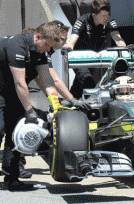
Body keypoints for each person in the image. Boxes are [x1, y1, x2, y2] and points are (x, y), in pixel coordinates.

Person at [0, 21, 89, 191]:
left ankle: (11, 180)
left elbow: (47, 81)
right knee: (0, 128)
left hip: (12, 91)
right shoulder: (17, 46)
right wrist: (29, 110)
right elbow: (20, 83)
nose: (48, 49)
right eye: (47, 45)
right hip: (2, 88)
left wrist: (67, 102)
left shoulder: (41, 50)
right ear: (38, 37)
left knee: (15, 132)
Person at [65, 0, 126, 99]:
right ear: (94, 15)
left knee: (79, 84)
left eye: (107, 15)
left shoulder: (110, 21)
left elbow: (117, 37)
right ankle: (89, 104)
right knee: (88, 81)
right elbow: (72, 39)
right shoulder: (82, 20)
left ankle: (71, 101)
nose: (106, 18)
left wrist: (124, 47)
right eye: (103, 16)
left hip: (95, 57)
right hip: (80, 58)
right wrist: (69, 47)